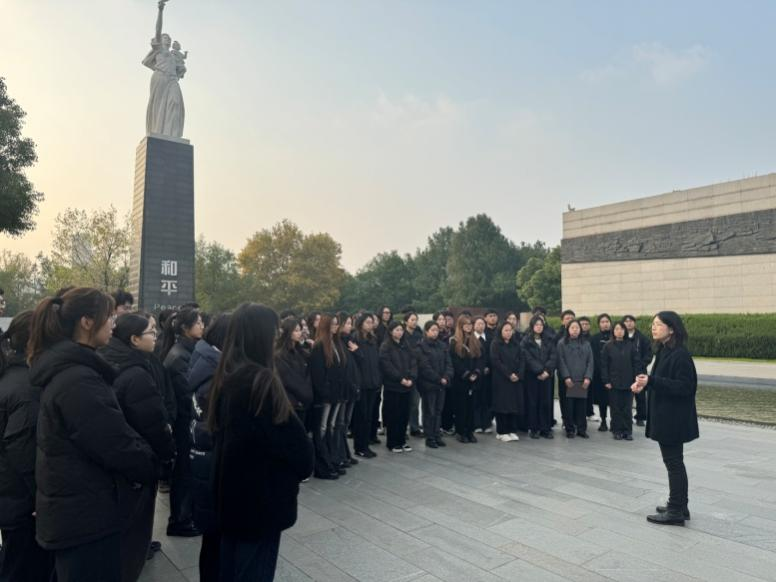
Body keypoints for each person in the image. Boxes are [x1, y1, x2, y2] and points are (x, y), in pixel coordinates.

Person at [28, 288, 156, 582]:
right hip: (86, 518)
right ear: (86, 322)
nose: (113, 323)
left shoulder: (73, 370)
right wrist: (150, 462)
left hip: (78, 511)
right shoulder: (78, 380)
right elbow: (115, 443)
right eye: (109, 317)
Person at [208, 303, 314, 581]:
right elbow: (297, 449)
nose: (277, 337)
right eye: (274, 331)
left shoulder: (227, 374)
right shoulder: (260, 382)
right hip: (260, 502)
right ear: (260, 336)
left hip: (232, 498)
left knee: (232, 568)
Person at [101, 313, 176, 582]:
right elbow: (153, 423)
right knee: (134, 532)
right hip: (139, 460)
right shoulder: (135, 373)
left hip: (120, 461)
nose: (155, 337)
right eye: (150, 333)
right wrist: (167, 454)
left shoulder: (110, 360)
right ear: (134, 339)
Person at [0, 311, 54, 582]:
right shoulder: (27, 387)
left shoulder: (13, 374)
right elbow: (23, 449)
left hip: (11, 496)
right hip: (21, 502)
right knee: (22, 569)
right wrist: (40, 496)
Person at [633, 312, 698, 526]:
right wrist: (644, 384)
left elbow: (686, 387)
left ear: (671, 329)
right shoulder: (663, 350)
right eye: (653, 324)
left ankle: (676, 511)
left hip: (674, 419)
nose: (653, 328)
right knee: (674, 462)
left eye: (659, 324)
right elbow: (660, 380)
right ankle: (679, 505)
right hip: (666, 415)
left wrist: (651, 381)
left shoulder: (680, 355)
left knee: (674, 463)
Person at [187, 313, 231, 582]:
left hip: (205, 459)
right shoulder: (216, 373)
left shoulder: (206, 361)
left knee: (213, 540)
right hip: (214, 462)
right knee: (217, 541)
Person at [160, 307, 204, 537]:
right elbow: (187, 393)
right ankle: (179, 520)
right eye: (198, 322)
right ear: (186, 328)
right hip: (183, 423)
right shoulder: (179, 356)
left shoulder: (188, 351)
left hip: (188, 421)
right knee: (183, 472)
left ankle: (187, 516)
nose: (202, 326)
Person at [309, 314, 347, 479]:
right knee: (322, 429)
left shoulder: (336, 343)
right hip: (325, 397)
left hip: (336, 395)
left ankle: (331, 460)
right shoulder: (319, 346)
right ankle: (322, 465)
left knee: (331, 427)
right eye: (332, 324)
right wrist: (325, 393)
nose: (335, 327)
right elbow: (317, 374)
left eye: (337, 324)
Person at [379, 321, 418, 453]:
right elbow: (387, 366)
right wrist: (400, 379)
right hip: (393, 386)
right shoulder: (386, 346)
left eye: (401, 330)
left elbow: (413, 362)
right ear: (391, 331)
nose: (399, 332)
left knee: (404, 414)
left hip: (407, 386)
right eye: (396, 330)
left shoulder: (406, 345)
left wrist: (411, 377)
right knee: (393, 415)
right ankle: (392, 442)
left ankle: (402, 441)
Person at [601, 321, 643, 441]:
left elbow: (636, 363)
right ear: (613, 331)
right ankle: (617, 430)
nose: (619, 331)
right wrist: (606, 380)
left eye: (621, 329)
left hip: (629, 382)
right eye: (616, 329)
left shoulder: (631, 345)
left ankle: (627, 431)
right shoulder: (608, 346)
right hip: (613, 382)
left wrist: (637, 380)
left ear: (625, 331)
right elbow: (604, 365)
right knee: (615, 408)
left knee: (627, 408)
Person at [417, 320, 453, 449]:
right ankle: (430, 437)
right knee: (429, 411)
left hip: (442, 384)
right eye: (432, 330)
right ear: (426, 331)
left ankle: (437, 434)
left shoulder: (442, 346)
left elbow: (449, 363)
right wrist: (438, 378)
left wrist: (446, 376)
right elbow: (424, 367)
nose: (435, 332)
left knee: (438, 411)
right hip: (429, 385)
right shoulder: (421, 346)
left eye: (436, 330)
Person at [557, 319, 593, 439]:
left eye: (577, 327)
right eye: (572, 327)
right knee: (569, 406)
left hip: (582, 380)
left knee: (581, 406)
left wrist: (588, 377)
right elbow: (561, 361)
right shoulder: (562, 343)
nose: (575, 330)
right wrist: (566, 376)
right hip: (568, 381)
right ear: (568, 329)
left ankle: (582, 429)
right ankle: (570, 429)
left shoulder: (586, 344)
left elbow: (590, 361)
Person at [449, 315, 483, 443]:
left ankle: (470, 431)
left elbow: (480, 358)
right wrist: (467, 374)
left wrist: (477, 372)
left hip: (474, 380)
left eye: (470, 324)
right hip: (461, 381)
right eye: (466, 324)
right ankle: (461, 431)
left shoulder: (475, 341)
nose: (469, 327)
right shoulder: (454, 342)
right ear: (461, 326)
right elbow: (455, 361)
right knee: (461, 407)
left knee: (471, 407)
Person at [351, 313, 381, 458]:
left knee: (369, 416)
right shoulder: (355, 339)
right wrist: (358, 351)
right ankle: (359, 447)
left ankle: (366, 444)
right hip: (361, 383)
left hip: (373, 382)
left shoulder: (373, 339)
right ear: (360, 323)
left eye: (372, 322)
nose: (370, 325)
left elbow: (376, 361)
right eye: (367, 322)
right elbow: (357, 362)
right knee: (361, 416)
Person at [332, 313, 360, 470]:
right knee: (340, 423)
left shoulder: (350, 341)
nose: (350, 326)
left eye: (350, 323)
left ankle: (345, 453)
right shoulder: (337, 343)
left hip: (352, 387)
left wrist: (356, 351)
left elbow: (358, 363)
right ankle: (340, 454)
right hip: (344, 389)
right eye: (347, 323)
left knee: (345, 423)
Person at [521, 315, 556, 439]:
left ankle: (545, 428)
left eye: (541, 325)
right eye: (536, 324)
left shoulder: (549, 340)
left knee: (545, 402)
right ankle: (534, 428)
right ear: (532, 326)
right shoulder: (526, 341)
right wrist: (539, 371)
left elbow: (553, 356)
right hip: (532, 376)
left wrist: (547, 371)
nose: (539, 327)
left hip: (546, 377)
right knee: (533, 402)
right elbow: (527, 358)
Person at [489, 321, 524, 442]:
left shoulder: (516, 344)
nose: (509, 333)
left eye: (510, 330)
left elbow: (522, 359)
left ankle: (512, 430)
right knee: (502, 406)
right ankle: (502, 431)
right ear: (501, 331)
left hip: (515, 379)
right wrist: (509, 374)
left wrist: (518, 374)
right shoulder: (495, 344)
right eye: (506, 330)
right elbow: (496, 361)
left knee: (513, 405)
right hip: (501, 379)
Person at [275, 318, 314, 427]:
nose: (299, 333)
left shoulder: (301, 352)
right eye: (296, 330)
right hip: (291, 402)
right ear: (288, 332)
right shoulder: (280, 355)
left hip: (303, 400)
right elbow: (288, 379)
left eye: (300, 330)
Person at [623, 315, 653, 427]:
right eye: (626, 321)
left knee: (640, 395)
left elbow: (649, 354)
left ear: (634, 323)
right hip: (625, 371)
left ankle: (640, 417)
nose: (628, 323)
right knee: (626, 395)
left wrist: (641, 365)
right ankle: (627, 416)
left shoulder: (642, 338)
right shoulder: (621, 337)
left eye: (631, 321)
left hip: (639, 370)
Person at [590, 314, 613, 432]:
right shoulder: (594, 338)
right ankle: (603, 420)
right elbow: (593, 356)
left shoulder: (616, 336)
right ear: (599, 324)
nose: (605, 324)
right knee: (602, 399)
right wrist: (602, 369)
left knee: (614, 399)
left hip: (614, 374)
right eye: (602, 322)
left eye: (607, 321)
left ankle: (614, 421)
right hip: (599, 374)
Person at [473, 316, 494, 434]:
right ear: (474, 325)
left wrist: (488, 367)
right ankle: (477, 424)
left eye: (482, 324)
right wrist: (479, 369)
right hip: (475, 374)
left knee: (487, 399)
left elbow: (492, 356)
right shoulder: (471, 339)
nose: (481, 326)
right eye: (478, 324)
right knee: (476, 399)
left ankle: (487, 423)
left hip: (488, 374)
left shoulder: (490, 339)